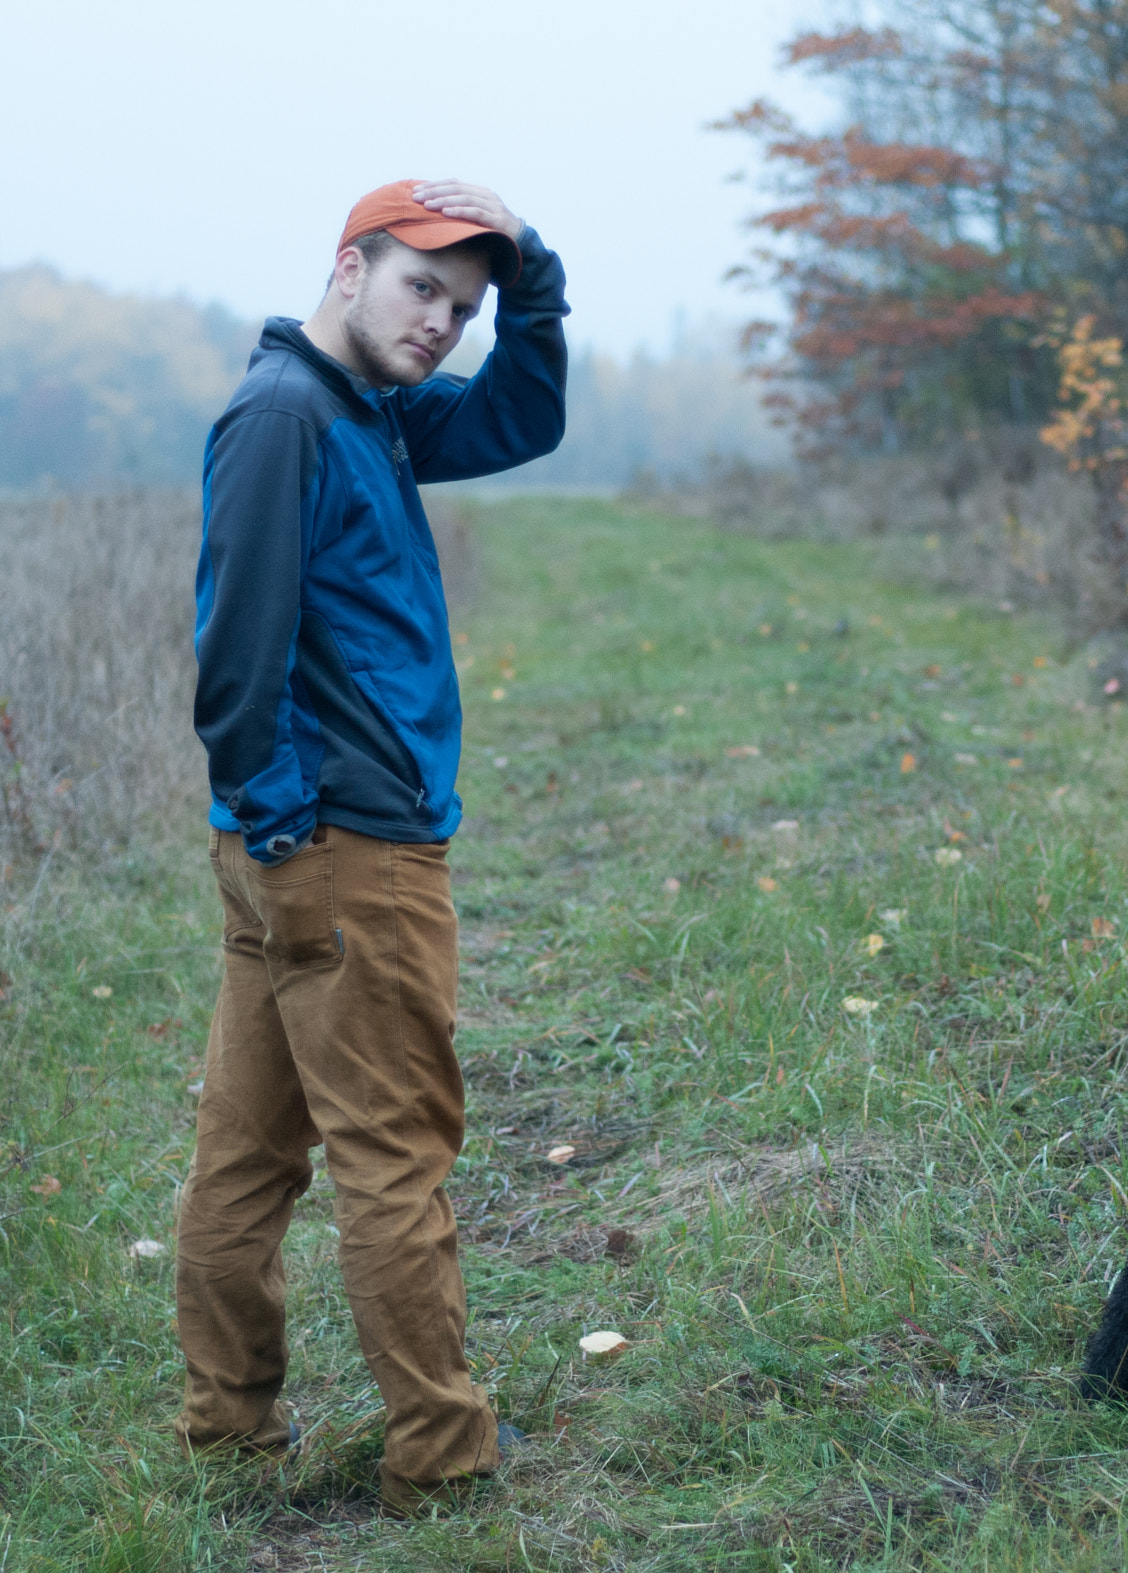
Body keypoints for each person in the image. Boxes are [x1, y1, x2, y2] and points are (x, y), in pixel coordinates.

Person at [178, 179, 568, 1514]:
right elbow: (236, 648)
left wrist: (539, 295)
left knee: (246, 1151)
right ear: (350, 267)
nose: (442, 326)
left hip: (300, 848)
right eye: (421, 290)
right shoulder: (291, 415)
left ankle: (229, 1433)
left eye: (463, 309)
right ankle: (442, 1453)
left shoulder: (369, 408)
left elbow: (522, 417)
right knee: (396, 1156)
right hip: (339, 846)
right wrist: (285, 822)